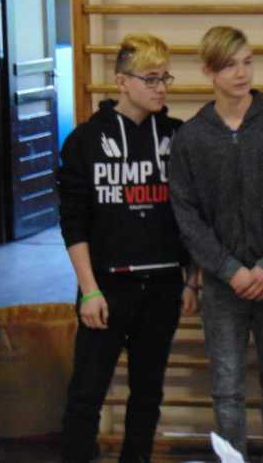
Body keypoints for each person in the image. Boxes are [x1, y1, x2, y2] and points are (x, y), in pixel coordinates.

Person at [169, 26, 263, 463]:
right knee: (227, 390)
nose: (242, 73)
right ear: (209, 71)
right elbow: (187, 216)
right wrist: (228, 269)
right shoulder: (192, 137)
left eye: (247, 62)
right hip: (221, 286)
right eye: (230, 65)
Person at [59, 33, 197, 463]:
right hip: (107, 287)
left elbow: (195, 214)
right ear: (122, 81)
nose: (160, 88)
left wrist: (192, 280)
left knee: (148, 393)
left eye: (165, 78)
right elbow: (73, 222)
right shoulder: (84, 140)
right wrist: (89, 290)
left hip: (163, 285)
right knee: (87, 392)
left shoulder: (178, 136)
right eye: (150, 78)